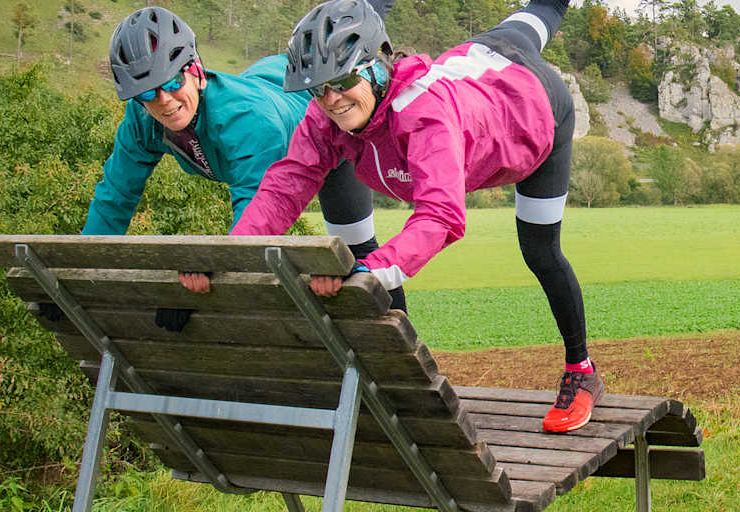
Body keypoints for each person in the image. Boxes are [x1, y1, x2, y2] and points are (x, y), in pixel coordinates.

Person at [228, 0, 599, 432]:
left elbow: (440, 215)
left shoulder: (425, 115)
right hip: (480, 53)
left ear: (376, 64)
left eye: (344, 79)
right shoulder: (326, 117)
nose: (332, 99)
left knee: (540, 252)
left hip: (536, 109)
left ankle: (582, 369)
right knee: (543, 11)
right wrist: (233, 253)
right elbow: (285, 185)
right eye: (319, 88)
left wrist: (368, 269)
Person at [86, 4, 404, 328]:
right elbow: (115, 197)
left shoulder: (247, 123)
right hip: (269, 82)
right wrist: (80, 275)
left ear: (195, 69)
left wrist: (194, 294)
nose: (163, 100)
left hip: (323, 134)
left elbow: (254, 227)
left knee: (357, 248)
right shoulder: (142, 120)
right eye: (146, 93)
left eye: (171, 83)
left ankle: (402, 352)